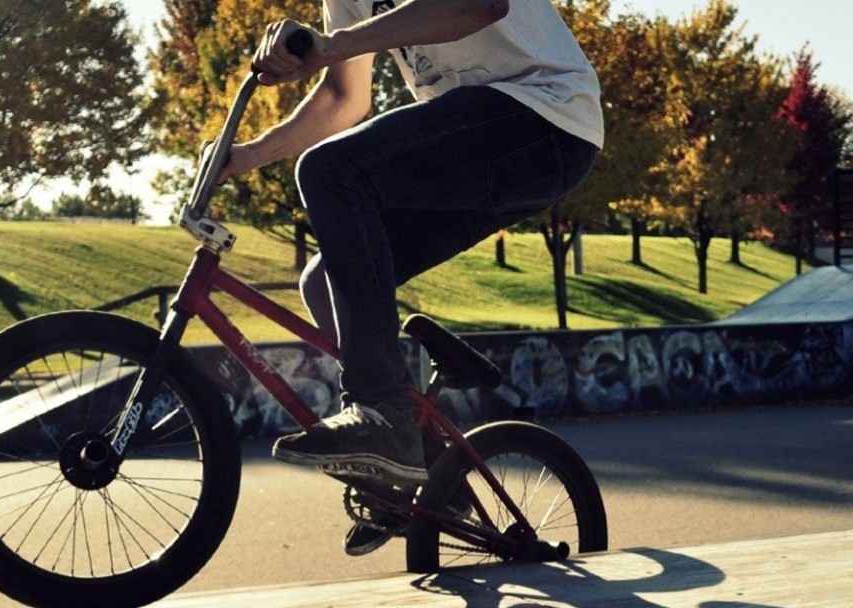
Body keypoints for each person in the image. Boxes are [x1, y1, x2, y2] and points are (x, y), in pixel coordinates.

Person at [219, 0, 604, 510]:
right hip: (483, 144)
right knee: (324, 281)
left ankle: (381, 412)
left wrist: (330, 46)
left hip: (545, 118)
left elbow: (479, 6)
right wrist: (248, 154)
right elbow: (343, 97)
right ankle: (431, 480)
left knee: (332, 171)